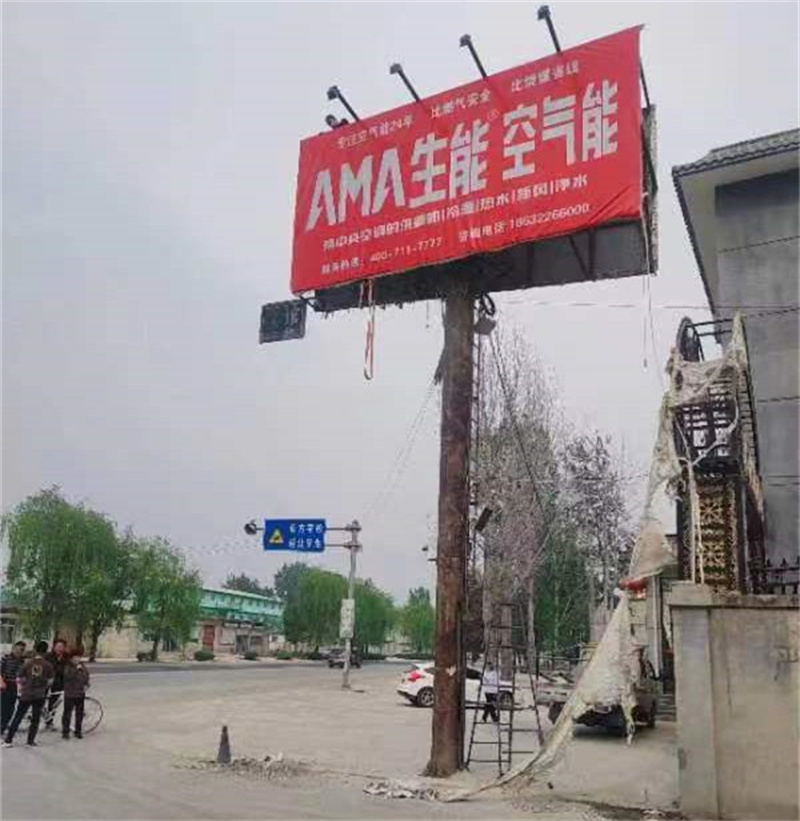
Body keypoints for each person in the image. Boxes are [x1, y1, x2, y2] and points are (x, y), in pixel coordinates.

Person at [3, 640, 54, 747]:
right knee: (35, 718)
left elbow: (18, 678)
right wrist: (43, 685)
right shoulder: (48, 665)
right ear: (45, 652)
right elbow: (50, 681)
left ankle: (8, 740)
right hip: (39, 694)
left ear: (35, 650)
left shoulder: (27, 663)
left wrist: (24, 685)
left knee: (18, 716)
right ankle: (30, 741)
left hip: (26, 694)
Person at [61, 648, 90, 740]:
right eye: (75, 657)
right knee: (67, 714)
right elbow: (67, 677)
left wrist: (87, 684)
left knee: (79, 713)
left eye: (79, 657)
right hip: (70, 693)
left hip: (80, 693)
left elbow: (86, 675)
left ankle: (78, 731)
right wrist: (76, 670)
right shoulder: (68, 666)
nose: (77, 659)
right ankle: (65, 732)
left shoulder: (82, 666)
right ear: (71, 658)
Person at [1, 641, 27, 733]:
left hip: (16, 686)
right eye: (17, 649)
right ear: (13, 649)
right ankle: (2, 727)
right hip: (5, 684)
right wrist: (1, 682)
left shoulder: (23, 661)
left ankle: (3, 726)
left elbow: (24, 675)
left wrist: (23, 682)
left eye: (21, 650)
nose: (18, 651)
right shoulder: (6, 658)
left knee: (11, 708)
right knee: (4, 707)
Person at [44, 638, 68, 730]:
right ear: (54, 647)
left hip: (59, 683)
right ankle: (36, 717)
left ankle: (49, 722)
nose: (60, 649)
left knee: (53, 703)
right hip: (46, 681)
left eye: (62, 647)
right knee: (40, 700)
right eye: (58, 646)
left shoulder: (66, 657)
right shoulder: (48, 656)